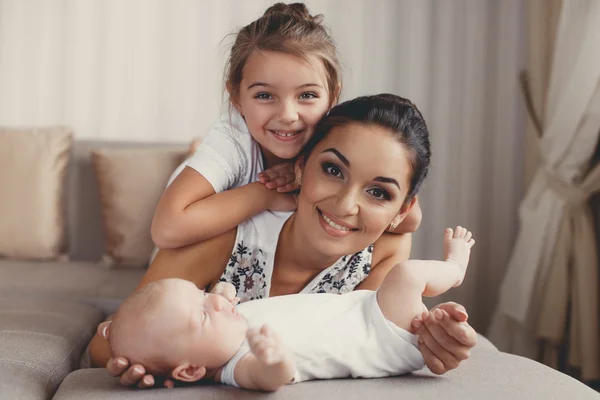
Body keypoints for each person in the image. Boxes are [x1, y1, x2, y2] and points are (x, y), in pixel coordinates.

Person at [88, 94, 478, 388]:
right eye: (332, 169)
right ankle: (196, 156)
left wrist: (431, 341)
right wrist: (150, 361)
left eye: (379, 193)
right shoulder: (220, 236)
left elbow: (368, 346)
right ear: (300, 167)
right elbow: (107, 341)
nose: (345, 205)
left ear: (401, 210)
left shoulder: (386, 249)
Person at [150, 2, 422, 253]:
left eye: (307, 95)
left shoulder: (338, 132)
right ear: (236, 99)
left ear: (332, 96)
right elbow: (166, 230)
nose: (288, 115)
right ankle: (194, 154)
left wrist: (302, 174)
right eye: (265, 96)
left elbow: (409, 220)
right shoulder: (232, 141)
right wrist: (265, 194)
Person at [101, 226, 473, 391]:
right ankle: (454, 270)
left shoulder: (226, 328)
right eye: (201, 314)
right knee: (407, 275)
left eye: (202, 293)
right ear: (193, 369)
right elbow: (272, 378)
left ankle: (450, 276)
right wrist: (273, 359)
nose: (214, 300)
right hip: (383, 337)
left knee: (404, 275)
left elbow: (229, 299)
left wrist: (218, 299)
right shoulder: (238, 364)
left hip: (365, 308)